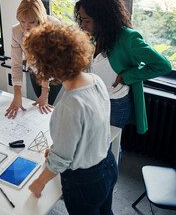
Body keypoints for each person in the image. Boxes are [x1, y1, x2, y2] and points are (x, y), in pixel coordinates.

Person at [27, 22, 118, 215]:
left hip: (86, 182)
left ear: (48, 66)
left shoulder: (69, 104)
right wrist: (59, 146)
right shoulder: (96, 81)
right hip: (108, 165)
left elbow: (61, 160)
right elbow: (91, 130)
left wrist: (39, 183)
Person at [74, 0, 172, 133]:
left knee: (107, 148)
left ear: (103, 18)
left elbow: (163, 65)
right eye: (82, 19)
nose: (82, 24)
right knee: (96, 145)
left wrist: (128, 76)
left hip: (115, 104)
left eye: (87, 20)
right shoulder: (96, 35)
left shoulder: (128, 38)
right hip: (94, 99)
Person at [5, 0, 62, 119]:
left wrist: (45, 91)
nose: (26, 26)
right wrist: (17, 94)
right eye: (22, 21)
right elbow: (16, 63)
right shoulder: (16, 31)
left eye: (31, 22)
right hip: (35, 71)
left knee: (47, 106)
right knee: (40, 105)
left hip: (54, 72)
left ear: (40, 19)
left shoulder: (53, 26)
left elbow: (50, 62)